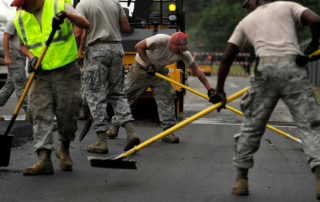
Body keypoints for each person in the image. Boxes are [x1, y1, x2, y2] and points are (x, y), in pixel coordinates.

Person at [211, 0, 320, 199]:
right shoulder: (288, 6)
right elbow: (315, 20)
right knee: (310, 125)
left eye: (247, 4)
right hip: (293, 68)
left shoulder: (246, 22)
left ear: (254, 1)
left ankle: (241, 179)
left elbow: (227, 57)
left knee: (252, 126)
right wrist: (313, 46)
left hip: (265, 72)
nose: (247, 8)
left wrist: (219, 90)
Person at [10, 0, 90, 175]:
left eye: (24, 4)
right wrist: (31, 57)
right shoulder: (21, 17)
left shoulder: (58, 6)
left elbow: (85, 24)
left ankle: (64, 149)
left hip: (66, 69)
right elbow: (22, 45)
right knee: (39, 112)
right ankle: (44, 158)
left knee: (67, 112)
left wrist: (67, 15)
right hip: (41, 72)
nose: (21, 7)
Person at [108, 32, 214, 143]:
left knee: (167, 96)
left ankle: (168, 132)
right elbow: (138, 46)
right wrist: (148, 64)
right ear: (172, 44)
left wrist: (210, 90)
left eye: (184, 48)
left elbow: (197, 71)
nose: (181, 51)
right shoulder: (160, 40)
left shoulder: (184, 53)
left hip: (159, 72)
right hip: (141, 69)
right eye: (179, 49)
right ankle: (114, 127)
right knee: (128, 98)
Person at [74, 0, 140, 153]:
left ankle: (101, 142)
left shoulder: (83, 5)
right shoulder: (115, 3)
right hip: (116, 49)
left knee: (95, 96)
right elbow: (125, 27)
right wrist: (109, 28)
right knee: (117, 94)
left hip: (96, 50)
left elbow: (78, 33)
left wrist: (76, 51)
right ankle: (131, 132)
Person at [0, 16, 28, 121]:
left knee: (9, 86)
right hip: (14, 55)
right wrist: (7, 56)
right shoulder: (13, 21)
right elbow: (5, 38)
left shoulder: (27, 21)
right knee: (21, 83)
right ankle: (30, 112)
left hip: (21, 55)